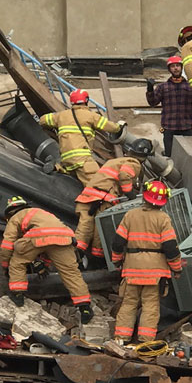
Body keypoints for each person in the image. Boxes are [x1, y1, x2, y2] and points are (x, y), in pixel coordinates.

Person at [37, 89, 126, 260]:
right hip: (83, 160)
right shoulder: (90, 116)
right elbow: (111, 128)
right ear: (86, 101)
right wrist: (120, 126)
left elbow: (43, 120)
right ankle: (98, 248)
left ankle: (58, 168)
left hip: (67, 160)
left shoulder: (61, 115)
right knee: (103, 196)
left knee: (79, 182)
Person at [106, 180, 184, 342]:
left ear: (145, 197)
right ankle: (145, 340)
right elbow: (170, 247)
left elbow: (118, 242)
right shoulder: (163, 219)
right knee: (151, 306)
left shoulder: (130, 215)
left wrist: (117, 261)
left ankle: (121, 338)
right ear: (163, 200)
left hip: (132, 269)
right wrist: (177, 269)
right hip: (155, 273)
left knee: (128, 303)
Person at [0, 195, 93, 322]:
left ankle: (18, 294)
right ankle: (85, 308)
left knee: (17, 261)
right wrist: (44, 265)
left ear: (10, 212)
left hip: (38, 237)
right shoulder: (41, 213)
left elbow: (7, 245)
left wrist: (5, 265)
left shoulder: (15, 218)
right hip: (64, 237)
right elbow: (49, 245)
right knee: (71, 273)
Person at [145, 56, 192, 157]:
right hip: (169, 127)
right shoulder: (163, 87)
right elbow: (153, 103)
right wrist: (150, 90)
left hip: (186, 127)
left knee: (187, 157)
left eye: (178, 66)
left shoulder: (190, 86)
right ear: (169, 69)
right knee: (169, 155)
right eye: (173, 66)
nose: (175, 68)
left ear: (182, 68)